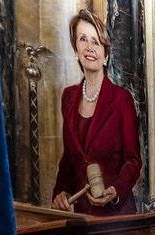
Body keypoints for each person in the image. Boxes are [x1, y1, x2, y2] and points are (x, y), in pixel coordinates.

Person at [52, 9, 142, 216]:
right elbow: (69, 159)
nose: (89, 47)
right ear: (76, 50)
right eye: (83, 39)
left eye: (96, 41)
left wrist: (116, 191)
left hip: (117, 219)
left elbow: (133, 161)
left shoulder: (122, 99)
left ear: (106, 55)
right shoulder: (68, 97)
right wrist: (61, 193)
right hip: (80, 217)